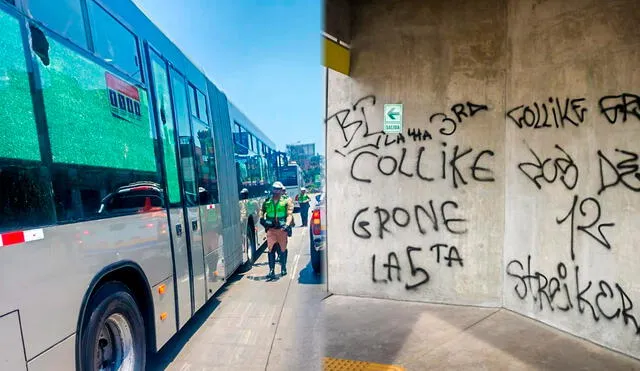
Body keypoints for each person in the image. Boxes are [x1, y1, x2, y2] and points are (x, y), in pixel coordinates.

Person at [259, 181, 294, 279]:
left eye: (278, 189)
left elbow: (289, 215)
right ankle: (271, 270)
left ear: (281, 191)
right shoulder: (267, 202)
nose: (276, 191)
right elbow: (262, 211)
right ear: (272, 190)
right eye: (274, 189)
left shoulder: (286, 201)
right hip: (271, 229)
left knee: (283, 249)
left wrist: (287, 225)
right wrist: (262, 219)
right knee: (271, 250)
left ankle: (283, 267)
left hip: (282, 229)